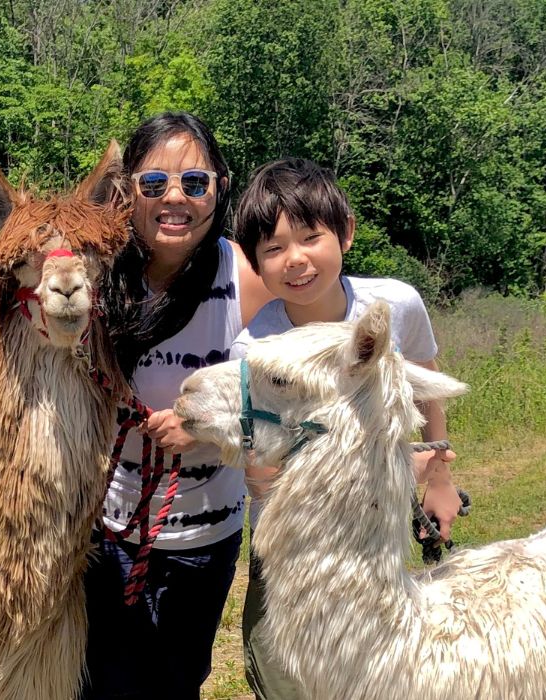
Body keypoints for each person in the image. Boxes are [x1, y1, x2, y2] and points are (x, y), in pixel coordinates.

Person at [230, 157, 462, 698]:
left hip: (375, 540)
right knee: (282, 674)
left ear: (347, 232)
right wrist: (395, 463)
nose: (296, 260)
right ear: (255, 262)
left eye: (311, 237)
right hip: (291, 546)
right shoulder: (255, 351)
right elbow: (262, 477)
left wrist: (439, 476)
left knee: (383, 673)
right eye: (273, 248)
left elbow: (422, 385)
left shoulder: (396, 305)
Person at [80, 112, 274, 699]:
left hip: (203, 540)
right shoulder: (99, 276)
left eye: (194, 183)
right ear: (129, 192)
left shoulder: (243, 276)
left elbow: (280, 398)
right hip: (108, 530)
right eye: (154, 183)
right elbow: (35, 364)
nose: (175, 199)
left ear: (219, 188)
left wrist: (210, 428)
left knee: (175, 681)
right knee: (99, 682)